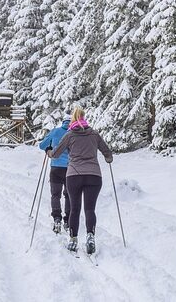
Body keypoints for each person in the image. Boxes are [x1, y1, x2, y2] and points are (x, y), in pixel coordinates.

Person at [49, 106, 113, 255]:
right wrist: (108, 158)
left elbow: (56, 154)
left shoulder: (70, 135)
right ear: (84, 118)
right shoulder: (94, 134)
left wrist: (49, 151)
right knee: (90, 209)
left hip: (74, 176)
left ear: (72, 120)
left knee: (75, 209)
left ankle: (73, 239)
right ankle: (90, 236)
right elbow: (107, 152)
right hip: (94, 176)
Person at [39, 114, 71, 234]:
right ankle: (68, 220)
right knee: (69, 195)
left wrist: (49, 148)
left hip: (56, 167)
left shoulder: (55, 131)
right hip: (70, 168)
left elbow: (42, 145)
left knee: (55, 195)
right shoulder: (74, 133)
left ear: (63, 122)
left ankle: (57, 218)